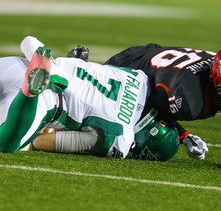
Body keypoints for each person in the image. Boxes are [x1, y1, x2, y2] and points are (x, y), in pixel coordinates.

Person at [103, 43, 221, 172]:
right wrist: (183, 135)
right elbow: (150, 103)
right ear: (219, 84)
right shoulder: (190, 98)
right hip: (125, 72)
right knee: (162, 141)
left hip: (153, 66)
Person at [0, 36, 150, 159]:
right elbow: (42, 142)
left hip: (19, 64)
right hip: (45, 100)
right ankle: (29, 93)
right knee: (6, 145)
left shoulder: (138, 78)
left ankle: (41, 58)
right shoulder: (121, 138)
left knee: (29, 43)